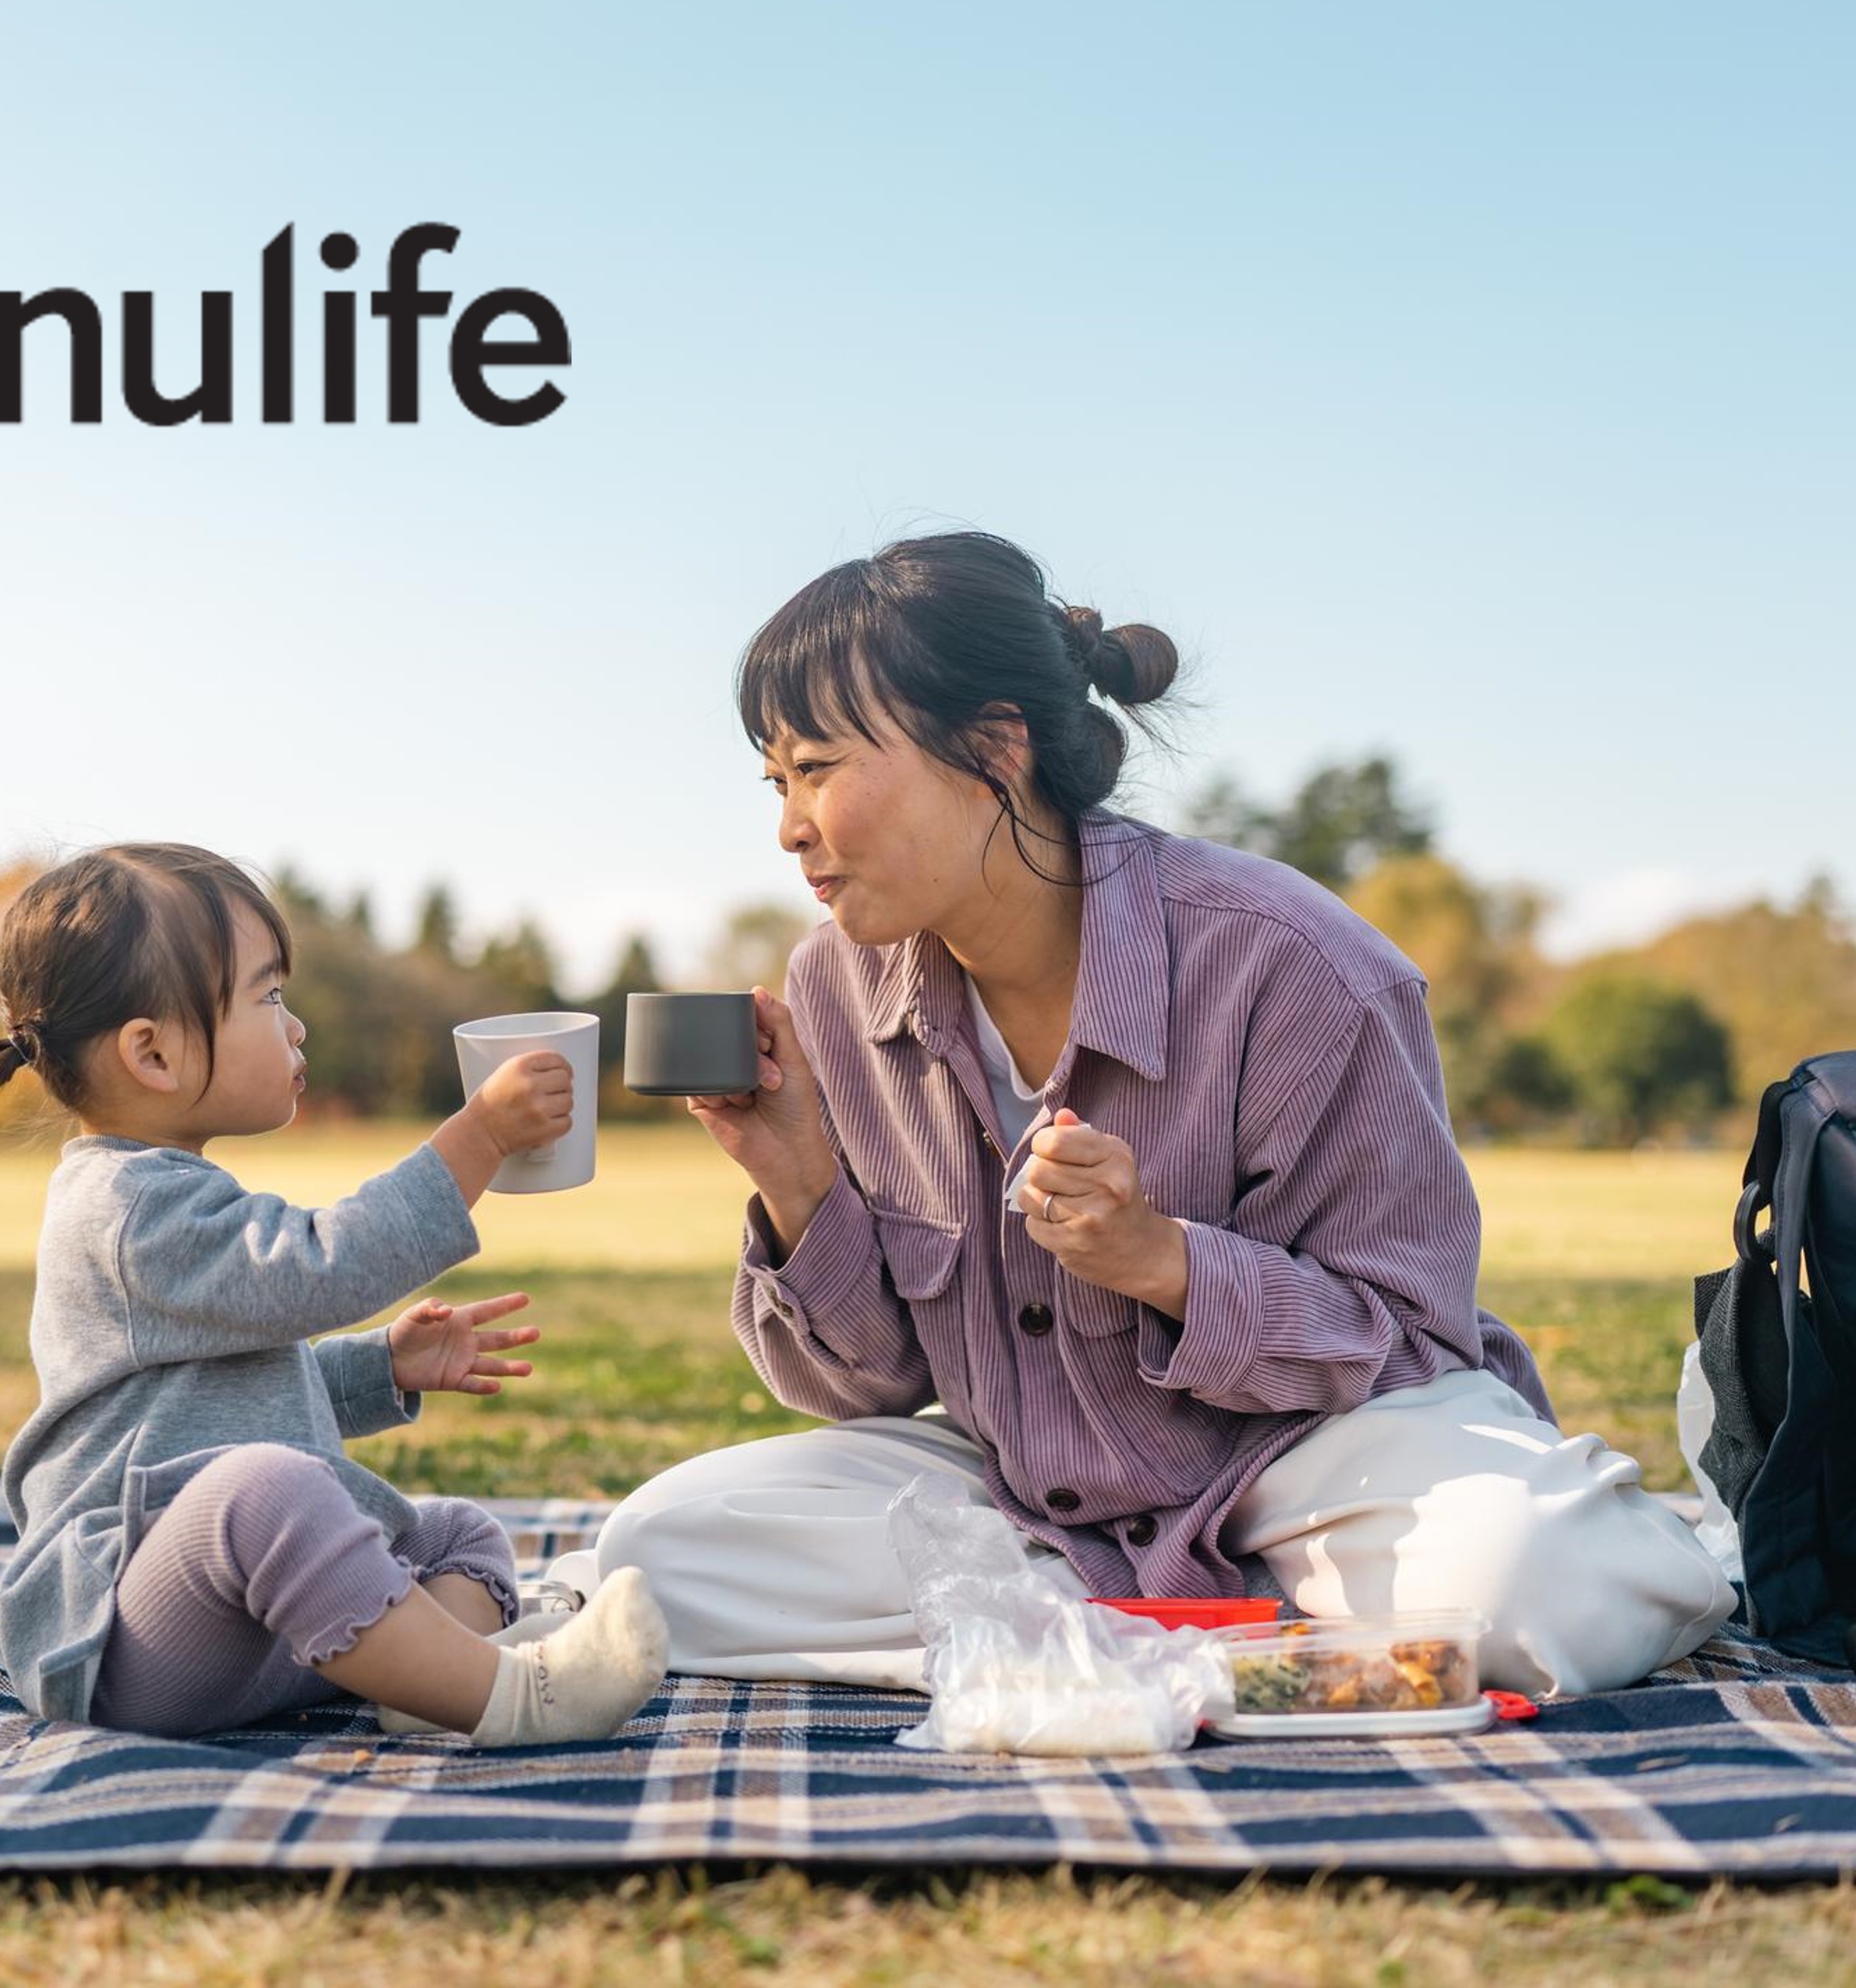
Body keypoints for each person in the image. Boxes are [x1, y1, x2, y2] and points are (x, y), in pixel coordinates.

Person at [570, 533, 1733, 1697]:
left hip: (1314, 1465)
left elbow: (1411, 1337)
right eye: (776, 782)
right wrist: (798, 1182)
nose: (789, 827)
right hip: (1030, 1494)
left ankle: (1084, 1644)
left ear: (992, 746)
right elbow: (865, 1390)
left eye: (818, 767)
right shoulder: (836, 986)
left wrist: (1166, 1263)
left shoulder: (1294, 968)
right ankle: (1258, 1652)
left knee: (1535, 1582)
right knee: (659, 1557)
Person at [0, 843, 668, 1745]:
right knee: (268, 1492)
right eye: (266, 996)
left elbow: (209, 1399)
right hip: (126, 1637)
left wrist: (381, 1367)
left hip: (247, 1630)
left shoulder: (164, 1193)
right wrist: (478, 1137)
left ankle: (429, 1683)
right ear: (153, 1053)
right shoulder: (127, 1210)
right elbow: (319, 1266)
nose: (294, 1027)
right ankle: (520, 1697)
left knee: (454, 1533)